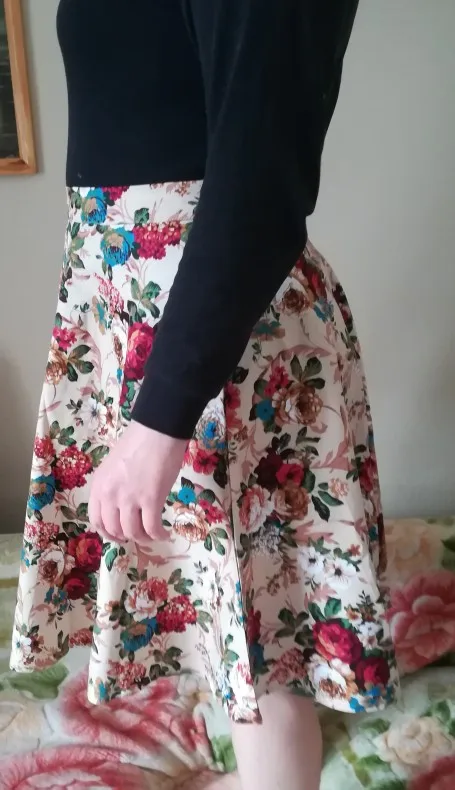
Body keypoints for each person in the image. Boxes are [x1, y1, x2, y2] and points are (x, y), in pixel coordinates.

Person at [11, 2, 398, 788]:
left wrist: (160, 421)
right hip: (151, 320)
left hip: (213, 335)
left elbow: (260, 180)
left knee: (261, 642)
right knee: (232, 627)